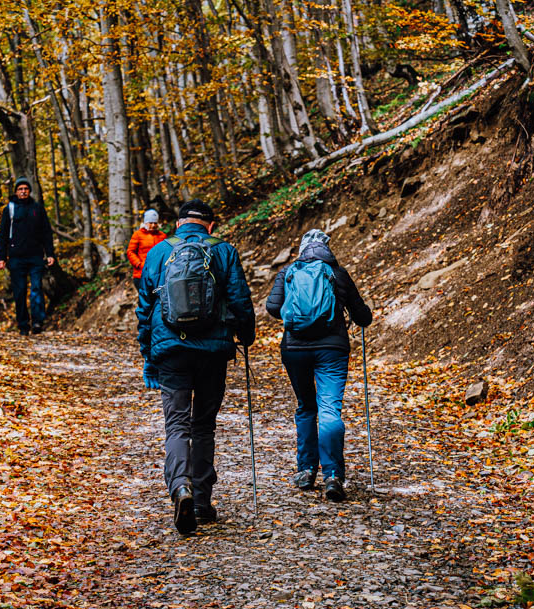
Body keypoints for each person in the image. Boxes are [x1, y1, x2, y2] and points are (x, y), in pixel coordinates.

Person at [136, 199, 256, 534]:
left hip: (170, 349)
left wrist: (148, 354)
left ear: (177, 224)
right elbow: (239, 298)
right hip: (213, 350)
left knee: (176, 426)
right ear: (211, 225)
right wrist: (246, 335)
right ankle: (202, 501)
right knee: (203, 426)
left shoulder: (159, 252)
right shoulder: (224, 251)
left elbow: (145, 307)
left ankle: (180, 488)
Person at [265, 229, 372, 502]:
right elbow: (363, 317)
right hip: (332, 349)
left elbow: (273, 307)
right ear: (327, 249)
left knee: (305, 406)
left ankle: (307, 470)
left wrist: (297, 310)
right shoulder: (338, 274)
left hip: (295, 348)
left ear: (301, 249)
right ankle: (333, 475)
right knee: (329, 409)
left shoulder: (288, 272)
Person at [0, 177, 55, 335]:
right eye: (20, 189)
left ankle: (37, 322)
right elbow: (2, 235)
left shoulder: (37, 208)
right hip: (16, 258)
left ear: (30, 191)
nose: (23, 191)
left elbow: (46, 232)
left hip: (36, 256)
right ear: (16, 191)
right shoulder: (9, 209)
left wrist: (50, 253)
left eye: (26, 189)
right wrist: (2, 257)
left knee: (36, 288)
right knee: (20, 291)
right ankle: (23, 324)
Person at [127, 208, 166, 291]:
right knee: (145, 301)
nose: (153, 225)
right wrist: (139, 264)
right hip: (141, 275)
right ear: (145, 222)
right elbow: (130, 252)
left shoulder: (162, 236)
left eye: (155, 223)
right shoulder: (138, 235)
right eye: (150, 223)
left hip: (158, 275)